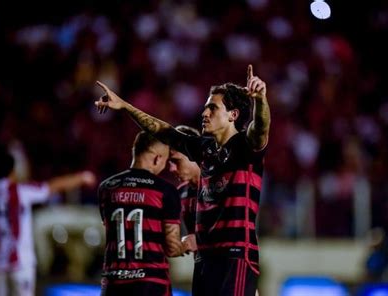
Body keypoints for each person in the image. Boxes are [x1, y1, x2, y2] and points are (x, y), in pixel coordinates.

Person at [95, 64, 270, 295]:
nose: (204, 113)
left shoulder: (246, 147)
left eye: (212, 108)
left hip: (234, 254)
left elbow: (260, 129)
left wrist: (260, 100)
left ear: (233, 115)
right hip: (205, 258)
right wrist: (125, 106)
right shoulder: (205, 149)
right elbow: (163, 130)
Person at [0, 150, 96, 296]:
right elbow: (53, 186)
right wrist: (81, 178)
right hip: (21, 265)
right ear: (13, 171)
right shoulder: (21, 191)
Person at [98, 131, 190, 296]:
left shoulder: (106, 187)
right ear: (157, 158)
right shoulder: (165, 191)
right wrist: (189, 243)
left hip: (112, 283)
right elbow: (172, 248)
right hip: (150, 284)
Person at [167, 125, 201, 246]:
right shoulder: (180, 193)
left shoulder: (222, 186)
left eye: (176, 161)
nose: (171, 169)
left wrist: (200, 240)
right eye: (169, 162)